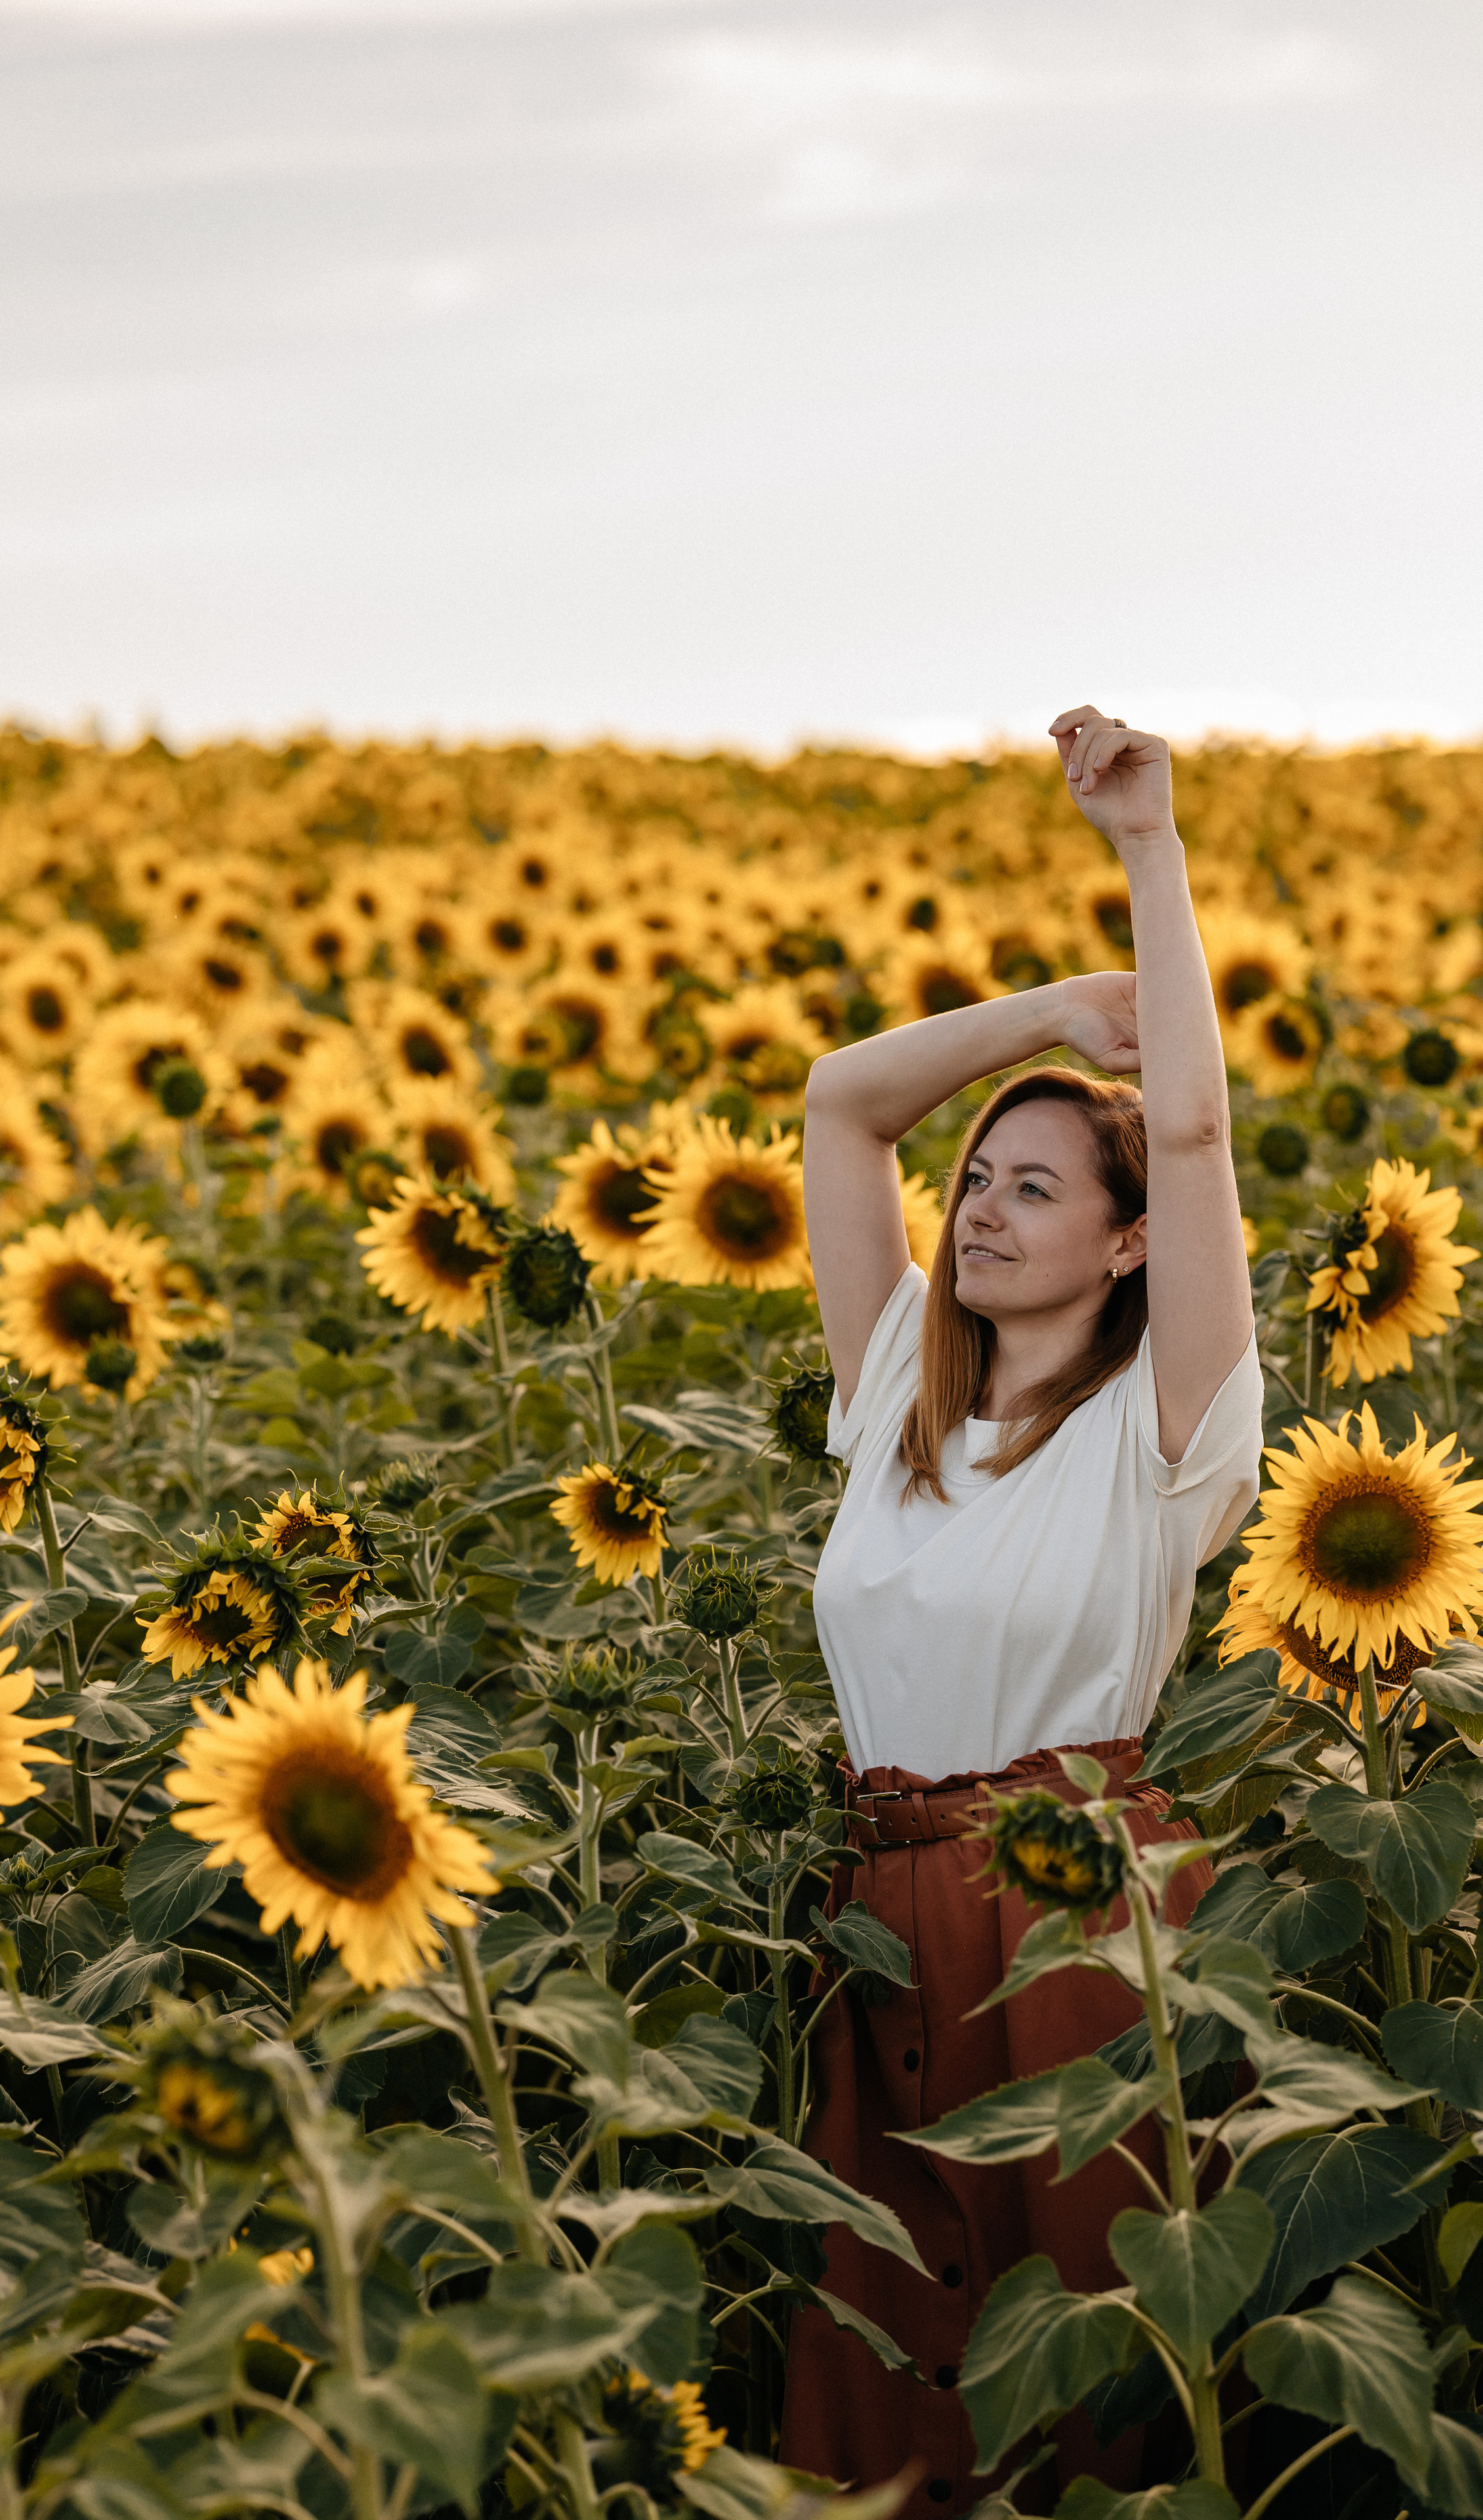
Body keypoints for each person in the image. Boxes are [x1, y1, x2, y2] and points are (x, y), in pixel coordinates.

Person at [778, 708, 1264, 2515]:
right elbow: (845, 1099)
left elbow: (1200, 1139)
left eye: (1036, 1186)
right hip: (882, 1916)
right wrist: (1054, 1020)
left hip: (1078, 1915)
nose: (980, 1206)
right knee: (889, 2375)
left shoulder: (1164, 1434)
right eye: (978, 1175)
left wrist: (1150, 857)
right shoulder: (897, 1389)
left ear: (1126, 1243)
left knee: (1094, 2374)